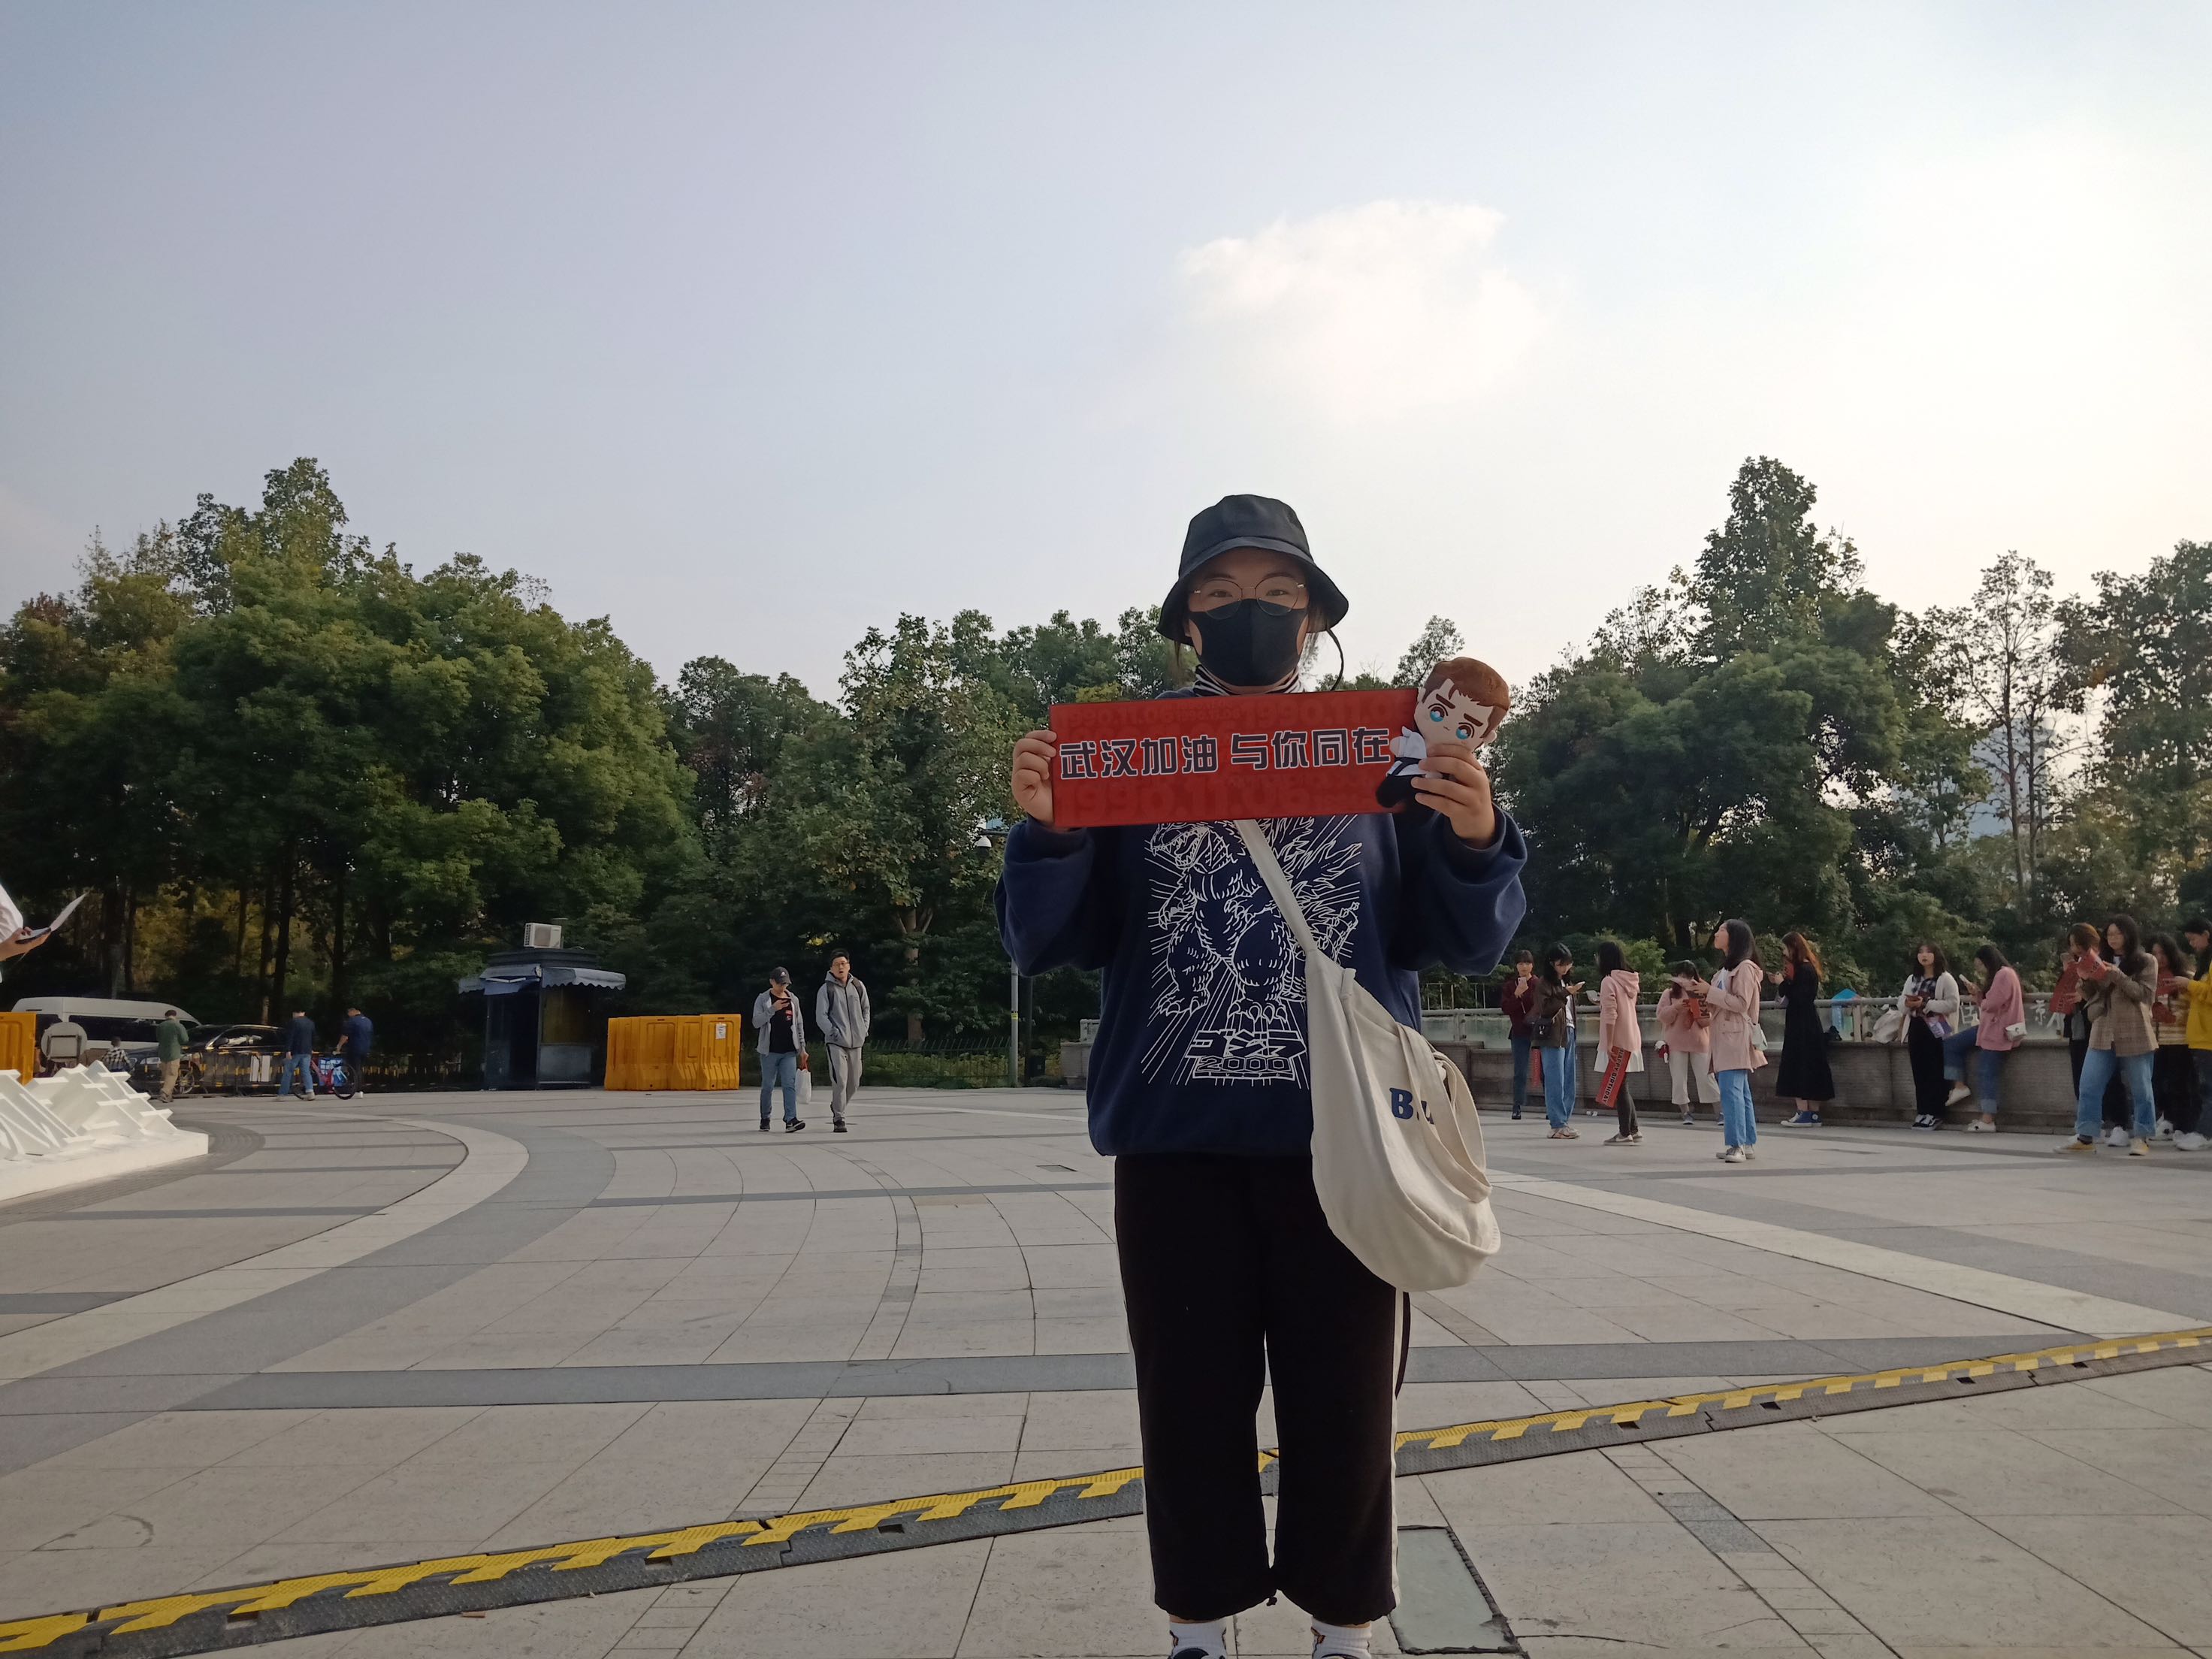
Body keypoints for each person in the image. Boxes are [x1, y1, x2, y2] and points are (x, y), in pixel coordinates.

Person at [997, 493, 1527, 1659]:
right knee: (1187, 1401)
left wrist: (1476, 836)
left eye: (1280, 594)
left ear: (1316, 620)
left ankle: (1345, 1627)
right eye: (1224, 593)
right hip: (1174, 1137)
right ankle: (1198, 1626)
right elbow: (1050, 942)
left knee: (1348, 1402)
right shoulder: (1122, 757)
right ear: (1187, 620)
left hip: (1349, 1137)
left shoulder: (1383, 754)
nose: (1253, 613)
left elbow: (1458, 938)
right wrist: (1050, 830)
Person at [2054, 915, 2159, 1156]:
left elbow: (2144, 995)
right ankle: (2086, 1136)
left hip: (2134, 1029)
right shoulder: (2100, 960)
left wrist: (2117, 975)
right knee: (2089, 1084)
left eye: (2117, 934)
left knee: (2141, 1087)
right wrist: (2083, 979)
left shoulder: (2146, 961)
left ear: (2129, 935)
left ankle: (2142, 1136)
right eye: (2109, 934)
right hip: (2103, 1028)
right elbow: (2092, 995)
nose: (2112, 939)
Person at [1694, 920, 1762, 1164]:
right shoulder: (1724, 970)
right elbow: (1721, 1002)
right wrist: (1702, 993)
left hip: (1734, 1036)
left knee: (1731, 1092)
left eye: (1722, 930)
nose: (1716, 933)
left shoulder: (1744, 968)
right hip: (1725, 1036)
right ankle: (1747, 1142)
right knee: (1739, 1091)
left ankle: (1736, 1145)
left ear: (1734, 937)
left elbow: (1741, 1003)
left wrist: (1710, 992)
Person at [1943, 946, 2023, 1132]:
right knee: (1952, 1045)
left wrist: (1982, 997)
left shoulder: (2003, 975)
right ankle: (1959, 1086)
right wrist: (1978, 994)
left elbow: (1993, 1004)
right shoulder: (2004, 974)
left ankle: (1987, 1119)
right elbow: (1991, 1002)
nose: (1981, 970)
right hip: (1990, 1029)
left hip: (1998, 1032)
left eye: (1980, 965)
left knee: (1987, 1073)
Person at [1768, 932, 1834, 1126]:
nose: (1784, 952)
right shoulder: (1809, 968)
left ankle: (1803, 1110)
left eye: (1786, 948)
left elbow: (1798, 997)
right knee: (1811, 1065)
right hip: (1809, 1022)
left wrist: (1783, 983)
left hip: (1800, 1025)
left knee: (1798, 1064)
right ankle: (1813, 1113)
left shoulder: (1803, 970)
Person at [1899, 943, 1960, 1129]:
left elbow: (1953, 1004)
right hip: (1916, 1025)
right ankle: (1923, 1111)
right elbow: (1901, 1001)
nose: (1924, 956)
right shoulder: (1912, 979)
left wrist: (1927, 1004)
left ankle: (1936, 1112)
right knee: (1919, 1070)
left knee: (1936, 1069)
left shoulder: (1945, 979)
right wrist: (1908, 1004)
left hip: (1937, 1027)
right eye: (1920, 952)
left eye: (1928, 952)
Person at [1592, 941, 1643, 1144]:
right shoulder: (1629, 980)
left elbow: (1610, 1015)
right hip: (1631, 1036)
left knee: (1619, 1087)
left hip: (1617, 1040)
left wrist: (1609, 1043)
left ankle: (1625, 1132)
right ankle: (1633, 1128)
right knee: (1623, 1085)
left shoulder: (1608, 982)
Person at [1655, 960, 1718, 1126]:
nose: (1685, 980)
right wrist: (1676, 1008)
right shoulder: (1669, 994)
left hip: (1700, 1041)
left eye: (1689, 976)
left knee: (1707, 1077)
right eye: (1682, 976)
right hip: (1676, 1042)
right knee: (1679, 1079)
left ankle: (1720, 1112)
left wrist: (1696, 1010)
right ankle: (1686, 1112)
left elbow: (1709, 1019)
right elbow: (1662, 1016)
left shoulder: (1702, 992)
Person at [814, 953, 872, 1134]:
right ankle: (839, 1118)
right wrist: (833, 1033)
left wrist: (864, 1029)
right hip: (836, 1042)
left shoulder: (858, 986)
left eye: (843, 963)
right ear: (831, 968)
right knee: (840, 1079)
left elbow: (866, 1009)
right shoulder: (826, 989)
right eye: (837, 964)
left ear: (849, 966)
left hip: (856, 1042)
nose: (841, 967)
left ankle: (837, 1105)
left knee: (854, 1083)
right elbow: (821, 1016)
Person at [2148, 934, 2196, 1143]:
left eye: (2163, 953)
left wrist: (2176, 1016)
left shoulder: (2185, 977)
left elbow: (2196, 1006)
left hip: (2179, 1039)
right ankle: (2167, 1120)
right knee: (2157, 1083)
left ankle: (2182, 1126)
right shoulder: (2150, 978)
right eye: (2155, 954)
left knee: (2178, 1084)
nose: (2159, 958)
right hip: (2157, 1040)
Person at [752, 968, 807, 1133]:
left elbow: (799, 1024)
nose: (783, 987)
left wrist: (802, 1048)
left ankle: (791, 1119)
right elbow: (756, 1022)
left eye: (785, 984)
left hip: (789, 1050)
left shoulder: (793, 999)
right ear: (772, 982)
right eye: (780, 983)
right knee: (768, 1086)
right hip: (769, 1051)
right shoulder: (763, 999)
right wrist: (772, 1009)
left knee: (789, 1085)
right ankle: (765, 1117)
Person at [1535, 946, 1580, 1140]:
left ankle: (1564, 1121)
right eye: (1561, 964)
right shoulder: (1544, 983)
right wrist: (1564, 994)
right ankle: (1557, 1123)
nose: (1565, 968)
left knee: (1569, 1079)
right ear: (1552, 963)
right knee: (1555, 1079)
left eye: (1568, 964)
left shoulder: (1566, 982)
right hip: (1553, 1034)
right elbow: (1544, 1009)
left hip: (1569, 1030)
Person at [2180, 918, 2212, 1152]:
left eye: (2193, 939)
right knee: (2202, 1088)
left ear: (2206, 934)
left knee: (2208, 1088)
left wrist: (2189, 985)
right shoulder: (2204, 962)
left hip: (2209, 1036)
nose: (2192, 945)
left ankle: (2204, 1132)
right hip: (2200, 1035)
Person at [1500, 950, 1537, 1120]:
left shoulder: (1538, 983)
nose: (1524, 967)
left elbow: (1542, 1005)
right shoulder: (1510, 986)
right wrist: (1517, 995)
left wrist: (1527, 994)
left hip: (1538, 1033)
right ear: (1516, 966)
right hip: (1519, 1032)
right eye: (1521, 963)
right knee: (1520, 1071)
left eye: (1527, 963)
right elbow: (1506, 1008)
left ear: (1532, 965)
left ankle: (1550, 1107)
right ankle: (1517, 1106)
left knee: (1544, 1070)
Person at [276, 1008, 316, 1099]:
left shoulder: (293, 1022)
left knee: (288, 1072)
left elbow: (290, 1037)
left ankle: (282, 1094)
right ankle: (310, 1091)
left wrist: (288, 1050)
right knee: (306, 1071)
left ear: (294, 1013)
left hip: (295, 1051)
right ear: (304, 1012)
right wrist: (312, 1048)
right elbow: (314, 1036)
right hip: (307, 1051)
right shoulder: (310, 1022)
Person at [153, 1008, 189, 1104]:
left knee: (165, 1075)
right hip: (174, 1053)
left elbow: (158, 1038)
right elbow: (185, 1039)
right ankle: (164, 1093)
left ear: (166, 1016)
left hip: (162, 1053)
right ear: (175, 1016)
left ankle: (169, 1096)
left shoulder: (161, 1026)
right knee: (172, 1074)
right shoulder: (178, 1025)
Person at [337, 1005, 373, 1095]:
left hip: (355, 1047)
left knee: (354, 1068)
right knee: (360, 1068)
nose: (348, 1016)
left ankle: (357, 1088)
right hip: (366, 1048)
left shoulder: (352, 1021)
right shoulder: (368, 1021)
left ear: (353, 1012)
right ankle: (360, 1087)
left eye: (349, 1014)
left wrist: (339, 1046)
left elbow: (345, 1036)